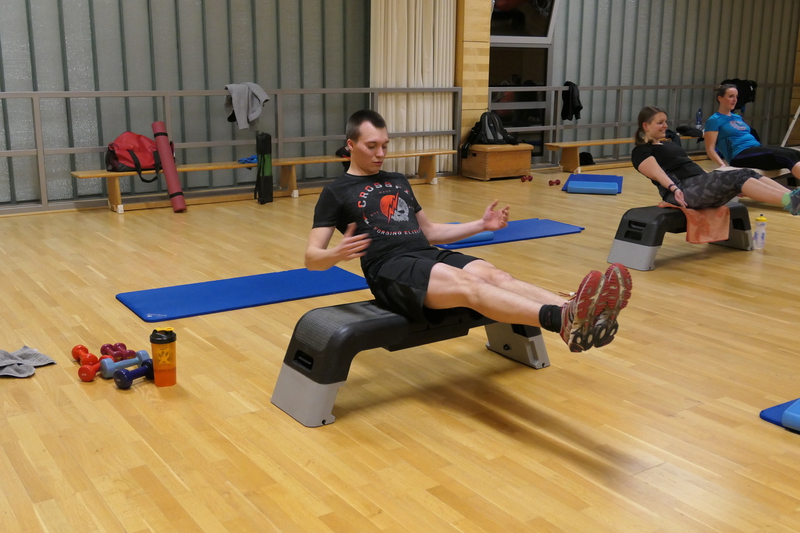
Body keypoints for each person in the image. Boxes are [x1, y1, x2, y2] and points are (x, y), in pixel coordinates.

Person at [305, 109, 632, 353]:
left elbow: (430, 231)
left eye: (385, 146)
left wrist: (481, 225)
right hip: (390, 270)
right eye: (372, 146)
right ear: (351, 145)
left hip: (426, 254)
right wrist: (335, 254)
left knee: (497, 276)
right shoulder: (336, 192)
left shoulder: (397, 180)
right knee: (469, 284)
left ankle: (585, 316)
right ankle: (560, 320)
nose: (380, 154)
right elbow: (311, 259)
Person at [631, 106, 800, 214]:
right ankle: (791, 200)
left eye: (665, 122)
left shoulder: (669, 145)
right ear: (646, 126)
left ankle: (791, 197)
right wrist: (674, 189)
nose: (665, 126)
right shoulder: (641, 151)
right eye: (660, 122)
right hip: (683, 191)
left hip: (698, 183)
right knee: (737, 176)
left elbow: (691, 166)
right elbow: (658, 173)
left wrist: (719, 180)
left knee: (746, 172)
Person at [704, 84, 800, 179]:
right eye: (731, 96)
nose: (735, 100)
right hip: (739, 155)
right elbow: (710, 149)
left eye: (736, 96)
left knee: (796, 153)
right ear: (720, 98)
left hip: (755, 149)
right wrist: (722, 165)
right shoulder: (714, 120)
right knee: (788, 156)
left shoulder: (737, 117)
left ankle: (794, 187)